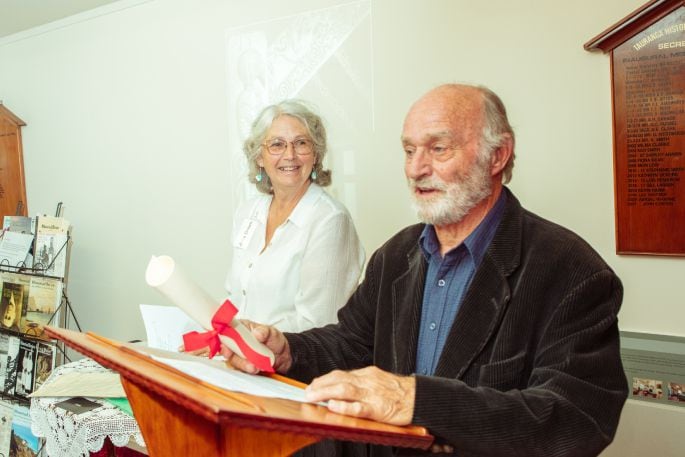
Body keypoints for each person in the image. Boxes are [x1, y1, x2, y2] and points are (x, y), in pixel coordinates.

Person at [225, 84, 629, 456]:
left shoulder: (572, 271)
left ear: (498, 155)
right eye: (408, 150)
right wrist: (288, 351)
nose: (416, 169)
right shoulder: (397, 255)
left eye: (438, 149)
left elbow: (575, 417)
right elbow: (349, 343)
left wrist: (415, 400)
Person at [225, 99, 365, 332]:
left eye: (301, 143)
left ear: (316, 155)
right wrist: (216, 331)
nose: (289, 155)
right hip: (241, 356)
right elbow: (234, 297)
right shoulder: (247, 212)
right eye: (277, 145)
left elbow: (320, 324)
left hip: (294, 363)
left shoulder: (330, 220)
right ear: (260, 157)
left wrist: (251, 336)